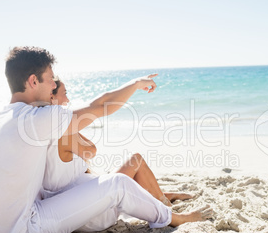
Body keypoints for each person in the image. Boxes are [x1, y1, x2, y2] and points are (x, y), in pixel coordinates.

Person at [0, 46, 213, 233]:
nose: (54, 84)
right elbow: (101, 106)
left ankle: (156, 200)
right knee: (117, 184)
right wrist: (136, 84)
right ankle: (174, 219)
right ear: (33, 81)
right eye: (50, 78)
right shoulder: (35, 119)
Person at [42, 79, 193, 209]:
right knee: (136, 161)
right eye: (65, 93)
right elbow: (91, 151)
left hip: (76, 197)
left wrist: (70, 125)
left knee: (126, 175)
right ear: (52, 97)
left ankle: (161, 194)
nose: (68, 100)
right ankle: (165, 204)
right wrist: (71, 126)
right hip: (89, 206)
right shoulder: (62, 133)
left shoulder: (41, 128)